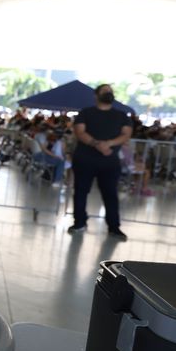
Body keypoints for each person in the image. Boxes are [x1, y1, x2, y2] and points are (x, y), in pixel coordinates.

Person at [68, 84, 132, 240]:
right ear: (96, 95)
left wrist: (108, 144)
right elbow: (80, 132)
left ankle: (114, 227)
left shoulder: (122, 115)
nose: (108, 93)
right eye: (105, 91)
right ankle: (79, 222)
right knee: (81, 192)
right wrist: (97, 144)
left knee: (110, 194)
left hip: (110, 162)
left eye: (110, 91)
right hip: (85, 159)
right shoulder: (85, 113)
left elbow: (126, 134)